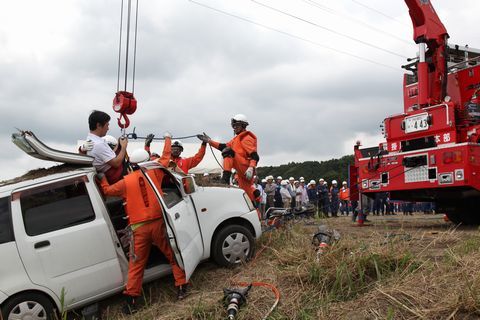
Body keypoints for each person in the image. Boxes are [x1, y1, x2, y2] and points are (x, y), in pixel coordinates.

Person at [98, 144, 188, 314]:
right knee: (172, 254)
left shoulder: (125, 182)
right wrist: (168, 139)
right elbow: (164, 159)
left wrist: (102, 176)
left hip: (139, 229)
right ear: (147, 162)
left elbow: (107, 190)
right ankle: (182, 287)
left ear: (131, 165)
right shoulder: (155, 172)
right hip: (159, 224)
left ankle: (131, 301)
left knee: (137, 264)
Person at [198, 114, 260, 202]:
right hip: (241, 172)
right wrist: (209, 141)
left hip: (246, 168)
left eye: (237, 125)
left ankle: (225, 179)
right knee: (248, 199)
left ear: (243, 125)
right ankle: (257, 207)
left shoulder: (246, 137)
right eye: (233, 126)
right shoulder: (236, 139)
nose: (234, 128)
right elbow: (223, 146)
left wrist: (251, 167)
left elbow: (255, 155)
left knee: (228, 151)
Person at [85, 110, 128, 184]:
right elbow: (116, 163)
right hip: (117, 177)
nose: (108, 128)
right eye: (107, 125)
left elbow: (109, 157)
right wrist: (124, 147)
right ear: (98, 125)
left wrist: (119, 145)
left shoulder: (90, 140)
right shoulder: (98, 144)